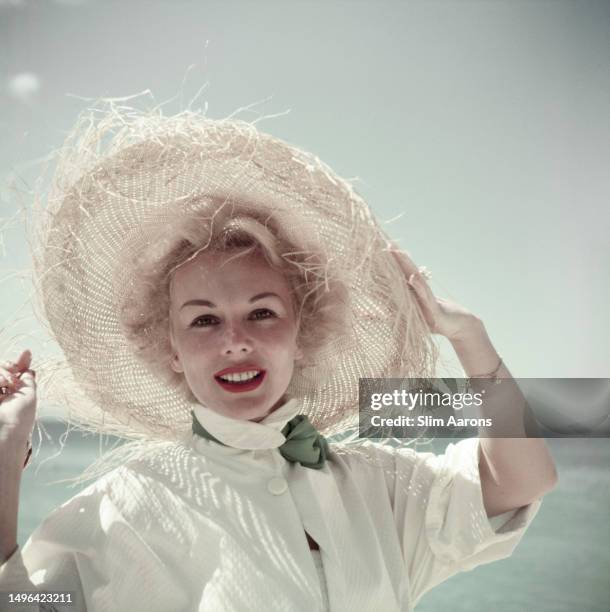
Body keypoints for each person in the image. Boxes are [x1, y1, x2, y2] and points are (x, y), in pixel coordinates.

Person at [0, 99, 557, 611]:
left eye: (262, 312)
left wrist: (471, 341)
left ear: (303, 329)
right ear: (169, 348)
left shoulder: (379, 482)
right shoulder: (126, 502)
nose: (234, 339)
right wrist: (5, 451)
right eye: (203, 320)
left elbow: (523, 481)